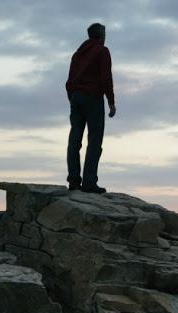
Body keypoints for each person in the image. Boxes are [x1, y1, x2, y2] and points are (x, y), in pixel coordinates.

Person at [65, 23, 117, 193]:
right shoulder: (102, 51)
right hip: (93, 97)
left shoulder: (76, 54)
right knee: (94, 140)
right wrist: (111, 101)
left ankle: (73, 182)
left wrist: (73, 97)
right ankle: (89, 182)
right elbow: (106, 76)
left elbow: (69, 79)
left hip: (76, 98)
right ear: (101, 35)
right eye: (105, 33)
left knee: (74, 140)